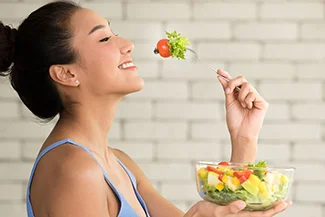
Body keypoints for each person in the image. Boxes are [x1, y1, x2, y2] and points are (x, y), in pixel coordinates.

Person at [0, 1, 292, 217]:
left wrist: (243, 138)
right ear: (66, 74)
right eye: (104, 38)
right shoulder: (74, 169)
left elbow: (225, 212)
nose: (127, 44)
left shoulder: (119, 163)